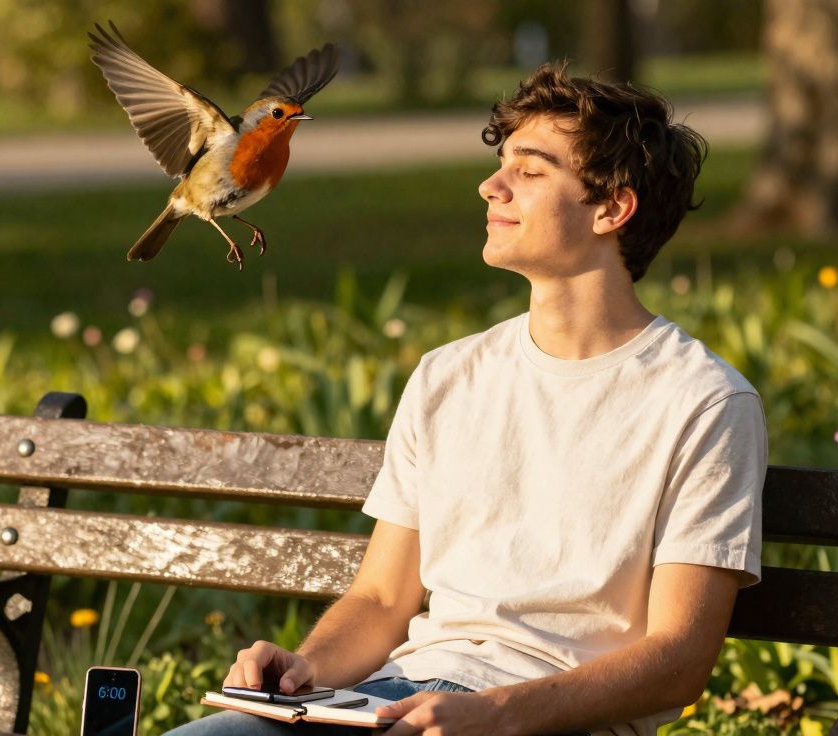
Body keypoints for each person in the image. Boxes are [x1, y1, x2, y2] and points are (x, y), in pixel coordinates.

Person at [165, 61, 767, 736]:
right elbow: (383, 597)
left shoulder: (703, 403)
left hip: (548, 719)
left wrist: (495, 714)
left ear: (612, 208)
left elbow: (679, 660)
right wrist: (304, 671)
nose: (491, 186)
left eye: (530, 172)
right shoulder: (448, 376)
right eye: (500, 164)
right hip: (396, 701)